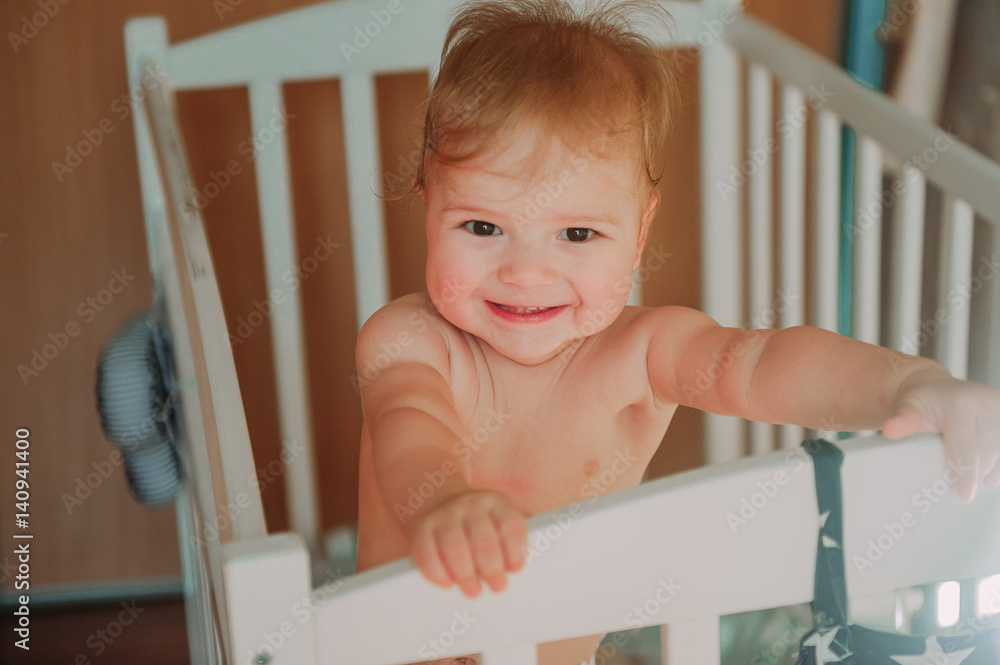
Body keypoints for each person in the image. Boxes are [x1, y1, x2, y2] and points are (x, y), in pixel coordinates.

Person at [353, 1, 1000, 663]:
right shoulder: (407, 341)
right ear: (426, 203)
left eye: (578, 234)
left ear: (638, 236)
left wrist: (910, 382)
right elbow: (412, 424)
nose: (524, 273)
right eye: (483, 227)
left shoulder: (642, 352)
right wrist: (446, 499)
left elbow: (760, 364)